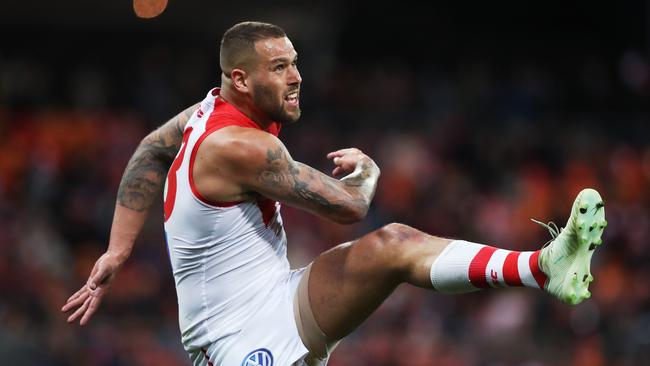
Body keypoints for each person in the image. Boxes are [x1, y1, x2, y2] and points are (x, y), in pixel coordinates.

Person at [62, 21, 607, 365]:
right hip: (232, 341)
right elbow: (350, 206)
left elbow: (147, 152)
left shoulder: (202, 113)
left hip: (276, 296)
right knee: (383, 236)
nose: (298, 76)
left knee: (394, 243)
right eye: (280, 68)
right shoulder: (242, 147)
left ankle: (542, 267)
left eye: (296, 61)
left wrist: (117, 250)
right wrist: (368, 170)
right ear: (242, 79)